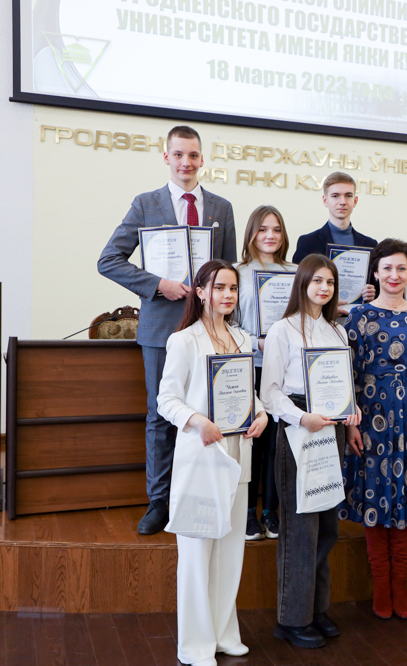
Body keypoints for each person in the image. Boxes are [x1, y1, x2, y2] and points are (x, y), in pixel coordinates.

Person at [98, 125, 237, 535]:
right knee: (163, 416)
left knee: (208, 413)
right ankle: (159, 502)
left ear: (202, 159)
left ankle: (202, 492)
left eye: (193, 155)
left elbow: (227, 271)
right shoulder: (146, 204)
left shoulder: (221, 208)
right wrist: (159, 284)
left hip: (210, 329)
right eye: (178, 155)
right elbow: (109, 260)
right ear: (166, 158)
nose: (186, 163)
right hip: (161, 328)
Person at [157, 259, 269, 666]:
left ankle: (223, 633)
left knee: (229, 552)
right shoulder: (184, 341)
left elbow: (247, 394)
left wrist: (262, 414)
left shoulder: (240, 339)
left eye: (233, 289)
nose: (227, 295)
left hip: (238, 458)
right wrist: (198, 421)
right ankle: (195, 645)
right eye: (219, 287)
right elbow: (166, 400)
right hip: (201, 459)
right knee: (196, 555)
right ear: (201, 292)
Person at [340, 239, 407, 620]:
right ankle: (380, 585)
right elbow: (346, 375)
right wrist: (352, 421)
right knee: (375, 493)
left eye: (401, 268)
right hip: (370, 413)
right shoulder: (358, 316)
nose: (394, 275)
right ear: (375, 272)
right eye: (387, 268)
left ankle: (400, 583)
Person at [261, 254, 361, 648]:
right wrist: (302, 418)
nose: (323, 288)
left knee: (327, 527)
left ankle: (316, 611)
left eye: (330, 283)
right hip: (299, 431)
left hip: (332, 432)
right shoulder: (282, 330)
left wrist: (351, 409)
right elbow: (269, 392)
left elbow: (343, 384)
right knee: (300, 529)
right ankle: (291, 619)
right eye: (316, 280)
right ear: (301, 283)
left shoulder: (338, 333)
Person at [234, 205, 295, 542]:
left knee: (276, 443)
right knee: (251, 441)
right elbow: (228, 322)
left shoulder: (295, 271)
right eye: (262, 229)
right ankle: (247, 513)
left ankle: (271, 511)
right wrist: (253, 340)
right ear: (251, 234)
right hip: (249, 366)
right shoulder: (237, 272)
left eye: (276, 230)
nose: (270, 236)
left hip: (283, 371)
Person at [291, 171, 378, 311]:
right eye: (335, 196)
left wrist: (373, 293)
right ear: (325, 201)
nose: (342, 201)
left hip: (359, 319)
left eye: (348, 196)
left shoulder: (370, 245)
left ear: (355, 201)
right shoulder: (308, 242)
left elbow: (379, 287)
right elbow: (297, 287)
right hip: (319, 319)